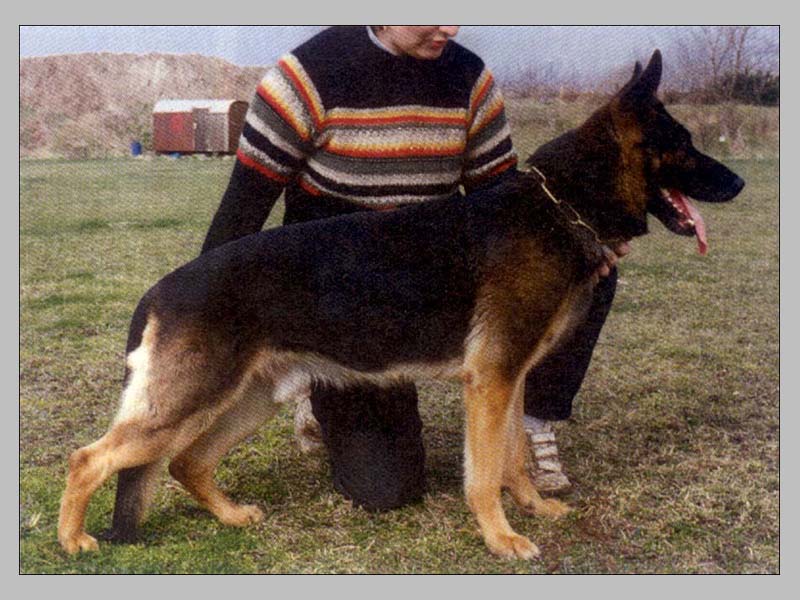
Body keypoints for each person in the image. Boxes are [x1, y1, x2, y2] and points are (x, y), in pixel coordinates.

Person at [201, 25, 625, 511]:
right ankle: (316, 379)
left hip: (421, 290)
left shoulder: (468, 78)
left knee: (580, 275)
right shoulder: (305, 78)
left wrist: (580, 248)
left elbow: (506, 204)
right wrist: (203, 314)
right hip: (338, 303)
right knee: (386, 491)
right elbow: (241, 212)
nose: (450, 27)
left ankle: (530, 426)